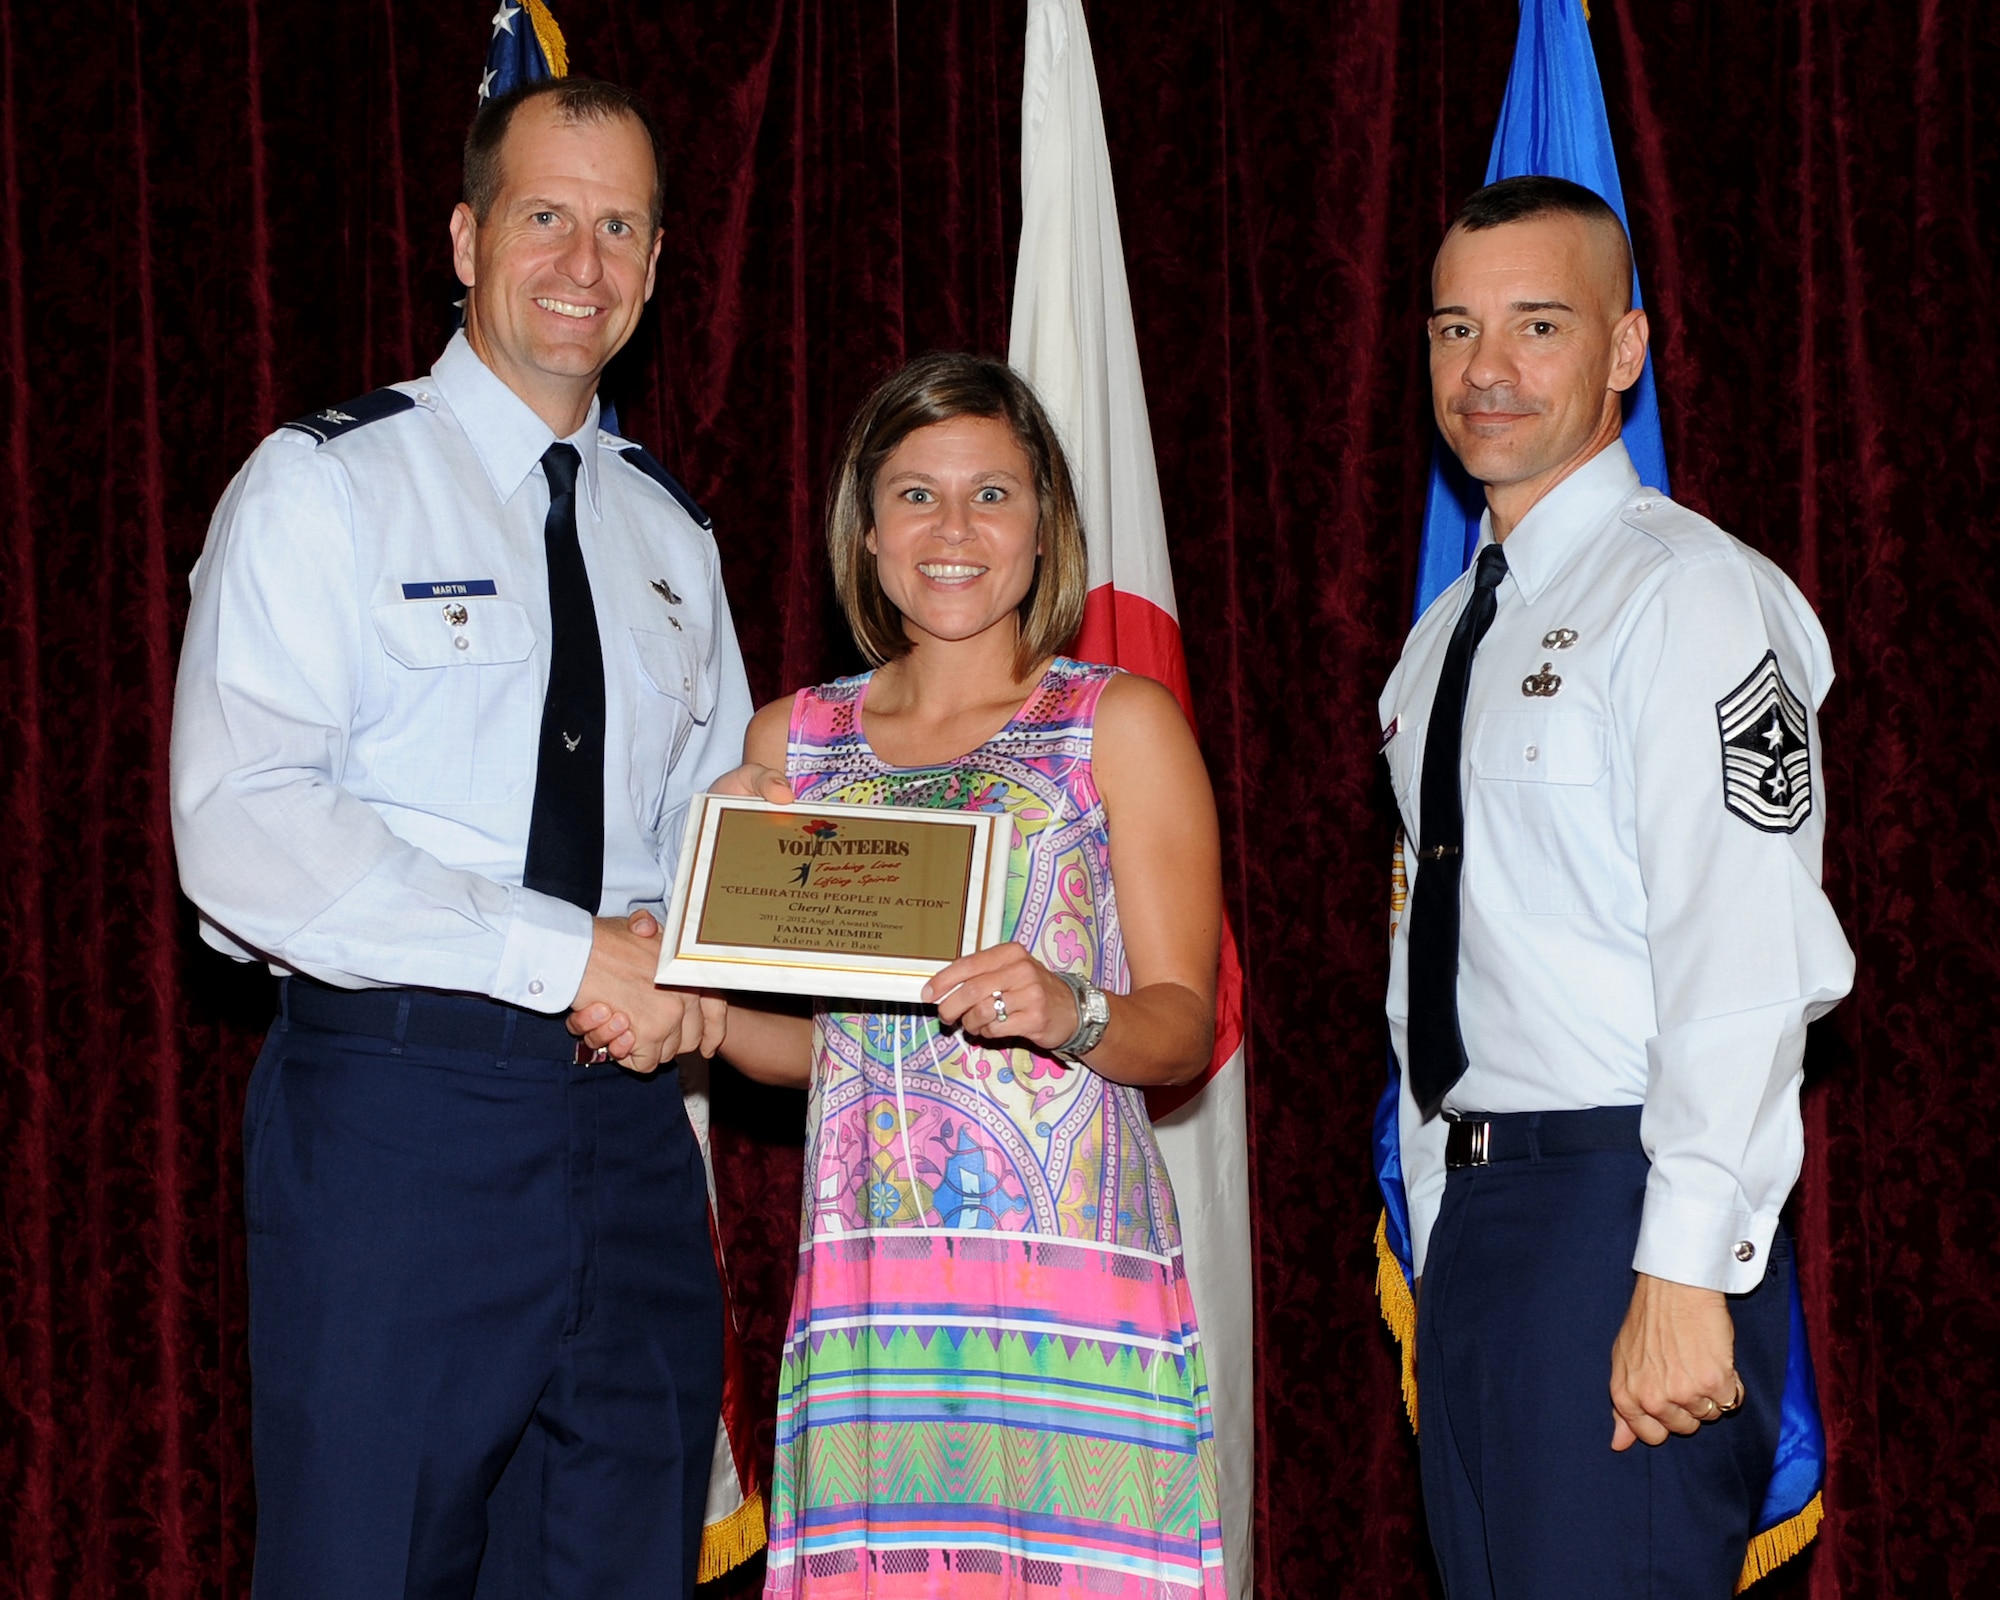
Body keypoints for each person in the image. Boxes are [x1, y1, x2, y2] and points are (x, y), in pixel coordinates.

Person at [169, 78, 751, 1599]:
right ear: (464, 237)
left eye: (618, 227)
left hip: (634, 1138)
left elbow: (717, 837)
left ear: (657, 263)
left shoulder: (671, 534)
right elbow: (243, 824)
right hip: (402, 1117)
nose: (581, 262)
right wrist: (566, 957)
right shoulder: (328, 483)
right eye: (545, 215)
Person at [581, 351, 1229, 1597]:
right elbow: (830, 1048)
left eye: (991, 494)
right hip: (871, 1284)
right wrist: (695, 999)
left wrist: (1068, 1008)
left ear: (1043, 525)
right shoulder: (791, 744)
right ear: (866, 529)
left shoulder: (1116, 723)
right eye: (915, 495)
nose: (953, 530)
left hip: (1069, 1284)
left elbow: (1181, 1027)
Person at [1380, 175, 1855, 1597]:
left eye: (1538, 325)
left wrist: (1686, 1263)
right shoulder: (1442, 637)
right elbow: (1438, 965)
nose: (1487, 369)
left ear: (1625, 348)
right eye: (1455, 329)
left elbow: (1743, 948)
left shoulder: (1687, 594)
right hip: (1482, 1231)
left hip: (1620, 1207)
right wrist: (1437, 1224)